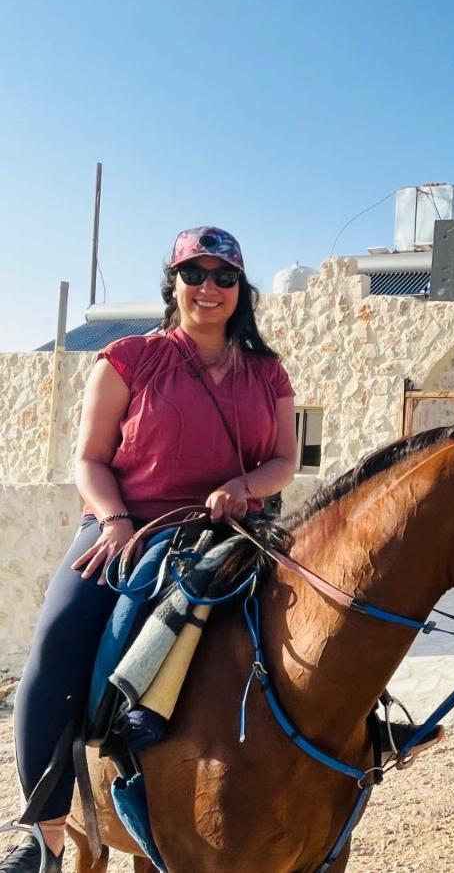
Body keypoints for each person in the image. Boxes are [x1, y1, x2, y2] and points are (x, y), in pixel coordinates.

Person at [4, 226, 298, 872]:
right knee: (54, 651)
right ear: (175, 285)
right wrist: (111, 520)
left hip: (230, 527)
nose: (209, 288)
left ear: (240, 290)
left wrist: (243, 486)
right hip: (130, 526)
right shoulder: (128, 357)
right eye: (195, 274)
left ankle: (353, 749)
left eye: (224, 276)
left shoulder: (266, 371)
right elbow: (89, 458)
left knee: (323, 617)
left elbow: (283, 459)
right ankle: (46, 832)